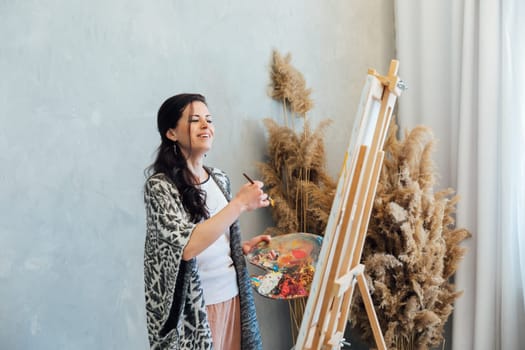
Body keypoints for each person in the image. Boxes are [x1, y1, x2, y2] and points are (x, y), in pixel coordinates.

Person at [143, 93, 271, 350]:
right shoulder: (160, 187)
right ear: (171, 133)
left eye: (209, 119)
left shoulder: (219, 178)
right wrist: (240, 204)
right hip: (194, 310)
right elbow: (187, 247)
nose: (206, 125)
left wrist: (239, 248)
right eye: (195, 120)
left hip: (232, 297)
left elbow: (211, 235)